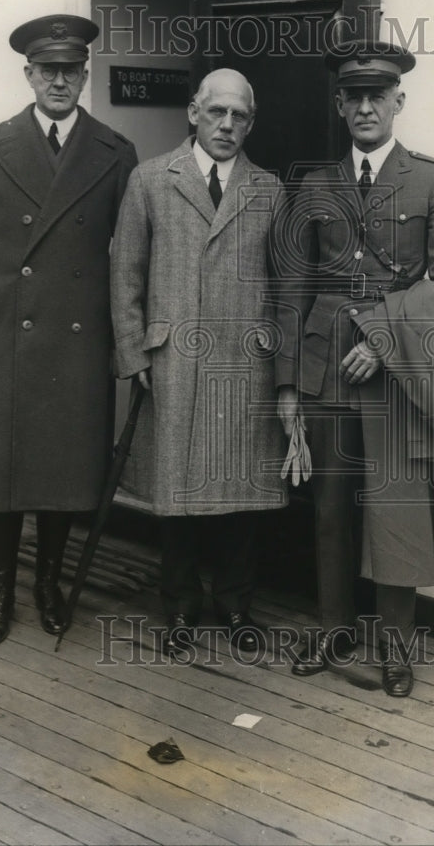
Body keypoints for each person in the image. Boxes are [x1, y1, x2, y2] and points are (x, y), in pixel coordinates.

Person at [274, 40, 434, 695]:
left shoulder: (431, 179)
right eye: (354, 96)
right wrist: (287, 385)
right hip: (327, 370)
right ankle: (337, 630)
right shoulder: (313, 185)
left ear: (400, 101)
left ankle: (396, 648)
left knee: (395, 510)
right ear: (340, 105)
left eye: (378, 94)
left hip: (396, 375)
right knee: (333, 510)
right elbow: (293, 290)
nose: (366, 106)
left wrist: (387, 338)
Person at [0, 14, 137, 646]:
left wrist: (125, 341)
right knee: (2, 474)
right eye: (47, 70)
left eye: (71, 70)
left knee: (64, 471)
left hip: (80, 339)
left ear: (86, 75)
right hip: (8, 334)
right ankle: (0, 589)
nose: (59, 80)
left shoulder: (114, 151)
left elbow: (129, 256)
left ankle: (47, 583)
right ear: (28, 74)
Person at [110, 68, 295, 657]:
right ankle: (182, 606)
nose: (227, 125)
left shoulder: (269, 190)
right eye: (217, 112)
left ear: (250, 124)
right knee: (180, 494)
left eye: (239, 116)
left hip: (245, 364)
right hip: (176, 362)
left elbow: (285, 283)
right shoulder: (150, 180)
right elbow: (126, 275)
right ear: (193, 112)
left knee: (241, 492)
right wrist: (134, 349)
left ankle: (236, 605)